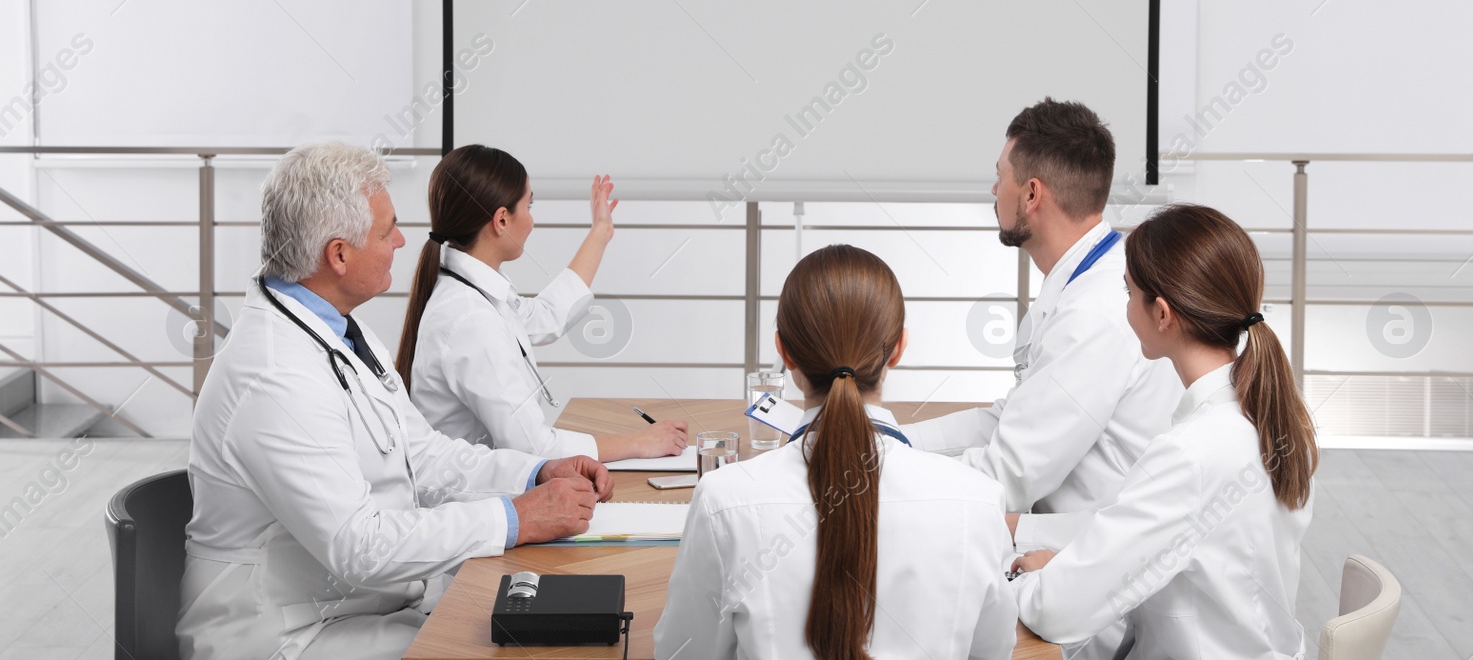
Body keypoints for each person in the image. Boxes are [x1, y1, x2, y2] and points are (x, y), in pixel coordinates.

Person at [177, 142, 613, 660]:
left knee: (551, 631)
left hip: (361, 608)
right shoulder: (274, 376)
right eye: (387, 232)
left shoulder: (338, 330)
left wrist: (534, 473)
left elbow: (422, 454)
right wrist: (515, 517)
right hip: (284, 637)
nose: (405, 241)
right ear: (338, 254)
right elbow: (359, 546)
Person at [900, 99, 1182, 658]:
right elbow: (1010, 419)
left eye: (998, 177)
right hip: (1065, 545)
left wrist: (885, 480)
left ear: (1031, 194)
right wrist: (894, 438)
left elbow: (1008, 474)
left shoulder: (1095, 313)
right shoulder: (1086, 279)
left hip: (1098, 597)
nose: (992, 192)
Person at [655, 244, 1019, 660]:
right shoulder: (977, 499)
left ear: (784, 351)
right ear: (898, 349)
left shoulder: (724, 500)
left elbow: (681, 654)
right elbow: (994, 651)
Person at [1009, 204, 1319, 659]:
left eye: (1128, 292)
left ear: (1162, 314)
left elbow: (1054, 612)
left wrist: (1030, 581)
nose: (1124, 305)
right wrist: (1062, 561)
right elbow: (1163, 546)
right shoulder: (1269, 416)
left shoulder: (1193, 452)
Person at [395, 144, 688, 461]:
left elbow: (545, 316)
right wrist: (641, 443)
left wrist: (600, 232)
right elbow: (535, 447)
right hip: (472, 503)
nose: (532, 221)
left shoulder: (470, 291)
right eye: (529, 206)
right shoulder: (470, 319)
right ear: (502, 220)